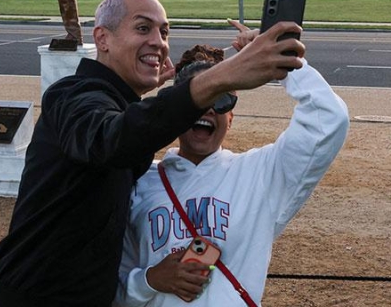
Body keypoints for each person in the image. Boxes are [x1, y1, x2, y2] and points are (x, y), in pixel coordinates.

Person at [0, 0, 306, 306]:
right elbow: (109, 140)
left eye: (164, 33)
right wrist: (217, 79)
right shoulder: (71, 95)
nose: (158, 42)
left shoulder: (116, 104)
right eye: (143, 28)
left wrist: (146, 90)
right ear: (102, 38)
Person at [113, 38, 349, 306]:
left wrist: (285, 59)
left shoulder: (260, 174)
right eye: (198, 98)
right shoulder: (138, 181)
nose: (209, 109)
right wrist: (151, 279)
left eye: (221, 99)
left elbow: (328, 119)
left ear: (231, 119)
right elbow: (109, 288)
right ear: (176, 112)